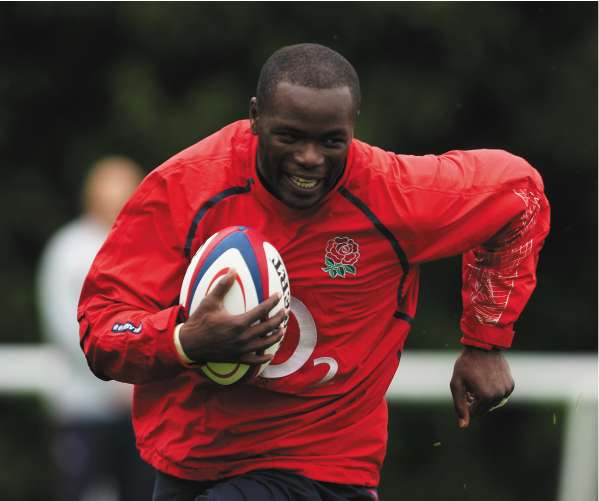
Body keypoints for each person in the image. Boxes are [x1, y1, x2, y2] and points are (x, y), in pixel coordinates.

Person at [77, 44, 550, 501]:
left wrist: (486, 341)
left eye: (330, 141)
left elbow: (521, 197)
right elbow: (103, 325)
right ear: (255, 116)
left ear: (353, 127)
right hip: (193, 458)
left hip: (321, 467)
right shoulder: (185, 189)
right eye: (290, 136)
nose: (310, 158)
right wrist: (185, 340)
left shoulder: (394, 194)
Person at [38, 156, 155, 501]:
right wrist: (116, 378)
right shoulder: (68, 248)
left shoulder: (148, 244)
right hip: (84, 407)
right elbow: (64, 324)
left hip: (140, 412)